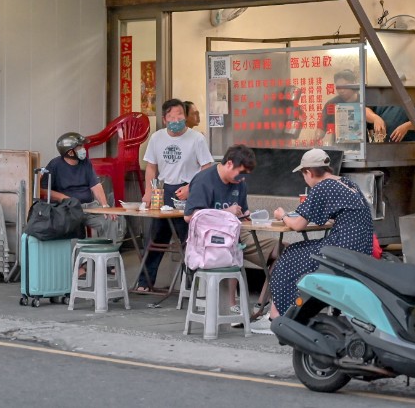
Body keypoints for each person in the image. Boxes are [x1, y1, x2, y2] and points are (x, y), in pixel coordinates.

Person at [250, 148, 374, 334]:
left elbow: (298, 225)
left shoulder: (322, 187)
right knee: (297, 253)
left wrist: (282, 215)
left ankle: (276, 318)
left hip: (342, 249)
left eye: (303, 174)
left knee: (289, 255)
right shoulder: (346, 183)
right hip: (360, 248)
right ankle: (291, 312)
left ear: (308, 172)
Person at [184, 144, 277, 312]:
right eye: (240, 173)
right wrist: (225, 212)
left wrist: (248, 216)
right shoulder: (204, 180)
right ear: (229, 163)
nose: (242, 178)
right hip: (210, 238)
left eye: (245, 175)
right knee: (231, 250)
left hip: (237, 233)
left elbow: (241, 212)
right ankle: (231, 305)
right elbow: (190, 216)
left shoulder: (240, 184)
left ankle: (261, 306)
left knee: (282, 250)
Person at [137, 98, 213, 292]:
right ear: (164, 119)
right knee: (155, 238)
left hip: (187, 191)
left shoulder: (197, 138)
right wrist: (148, 191)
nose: (177, 119)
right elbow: (151, 167)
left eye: (180, 115)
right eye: (172, 116)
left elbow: (206, 167)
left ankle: (191, 285)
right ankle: (145, 282)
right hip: (162, 189)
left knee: (188, 240)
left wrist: (191, 187)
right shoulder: (157, 138)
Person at [41, 132, 123, 243]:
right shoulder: (55, 165)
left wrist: (105, 205)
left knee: (111, 220)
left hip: (89, 207)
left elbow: (96, 185)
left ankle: (106, 257)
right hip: (68, 209)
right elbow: (44, 190)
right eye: (80, 147)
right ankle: (77, 258)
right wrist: (65, 198)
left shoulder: (86, 163)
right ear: (70, 152)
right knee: (71, 229)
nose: (83, 149)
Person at [314, 70, 380, 142]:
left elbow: (372, 130)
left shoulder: (364, 102)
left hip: (361, 149)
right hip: (339, 149)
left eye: (345, 86)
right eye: (339, 87)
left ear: (354, 84)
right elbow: (321, 127)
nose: (341, 90)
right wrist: (317, 136)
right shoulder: (331, 104)